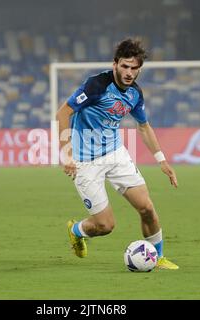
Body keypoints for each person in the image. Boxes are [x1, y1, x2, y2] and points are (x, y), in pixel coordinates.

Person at [57, 38, 179, 270]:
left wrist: (161, 160)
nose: (129, 72)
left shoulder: (134, 94)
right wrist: (66, 153)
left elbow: (143, 126)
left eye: (134, 68)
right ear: (115, 64)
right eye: (124, 66)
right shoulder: (97, 85)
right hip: (86, 162)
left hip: (115, 154)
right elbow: (63, 113)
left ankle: (158, 256)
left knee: (147, 208)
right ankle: (76, 230)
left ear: (139, 70)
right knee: (105, 226)